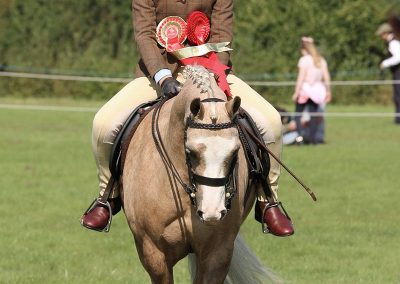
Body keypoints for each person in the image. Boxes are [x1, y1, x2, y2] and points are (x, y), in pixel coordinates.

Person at [80, 0, 294, 237]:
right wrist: (162, 76)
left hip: (212, 73)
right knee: (103, 124)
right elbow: (144, 35)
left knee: (272, 122)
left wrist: (210, 79)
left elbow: (222, 35)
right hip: (157, 75)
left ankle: (268, 200)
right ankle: (107, 197)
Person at [292, 36, 331, 144]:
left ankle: (300, 138)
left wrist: (296, 92)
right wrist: (328, 91)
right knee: (313, 115)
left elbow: (301, 77)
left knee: (298, 115)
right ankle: (313, 140)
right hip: (317, 91)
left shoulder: (304, 60)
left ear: (304, 50)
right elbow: (326, 77)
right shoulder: (321, 60)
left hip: (305, 89)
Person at [376, 22, 400, 124]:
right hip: (397, 72)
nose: (381, 37)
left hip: (399, 72)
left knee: (398, 96)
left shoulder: (393, 42)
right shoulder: (393, 41)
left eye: (382, 34)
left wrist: (385, 63)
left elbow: (398, 58)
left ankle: (399, 119)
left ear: (386, 33)